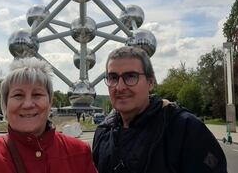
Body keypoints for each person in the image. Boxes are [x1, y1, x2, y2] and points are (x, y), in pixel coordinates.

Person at [92, 46, 227, 173]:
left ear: (150, 82)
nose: (120, 87)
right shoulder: (103, 132)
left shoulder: (184, 129)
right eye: (113, 77)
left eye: (131, 76)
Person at [0, 57, 98, 173]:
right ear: (5, 103)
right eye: (18, 95)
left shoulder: (80, 152)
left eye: (37, 94)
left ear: (50, 102)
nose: (27, 104)